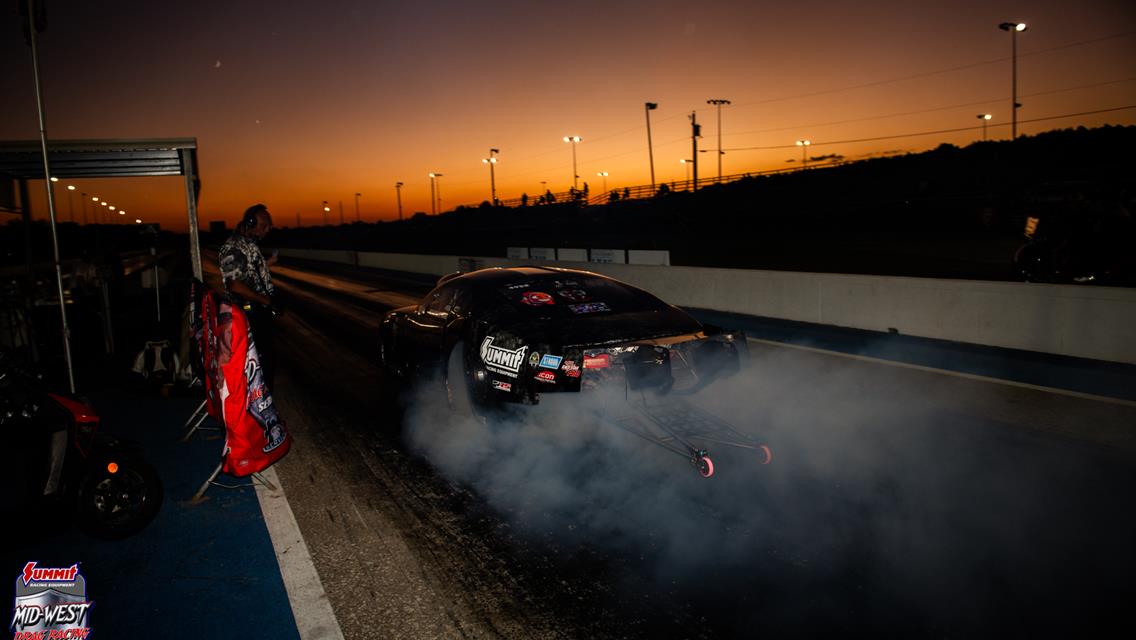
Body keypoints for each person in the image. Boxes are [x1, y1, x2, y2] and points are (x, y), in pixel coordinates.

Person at [218, 203, 279, 386]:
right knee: (258, 368)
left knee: (265, 364)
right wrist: (266, 300)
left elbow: (246, 273)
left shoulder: (248, 245)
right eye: (264, 225)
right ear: (250, 223)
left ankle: (263, 410)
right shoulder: (234, 247)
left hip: (259, 313)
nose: (267, 229)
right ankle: (259, 413)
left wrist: (266, 265)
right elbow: (235, 285)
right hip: (249, 315)